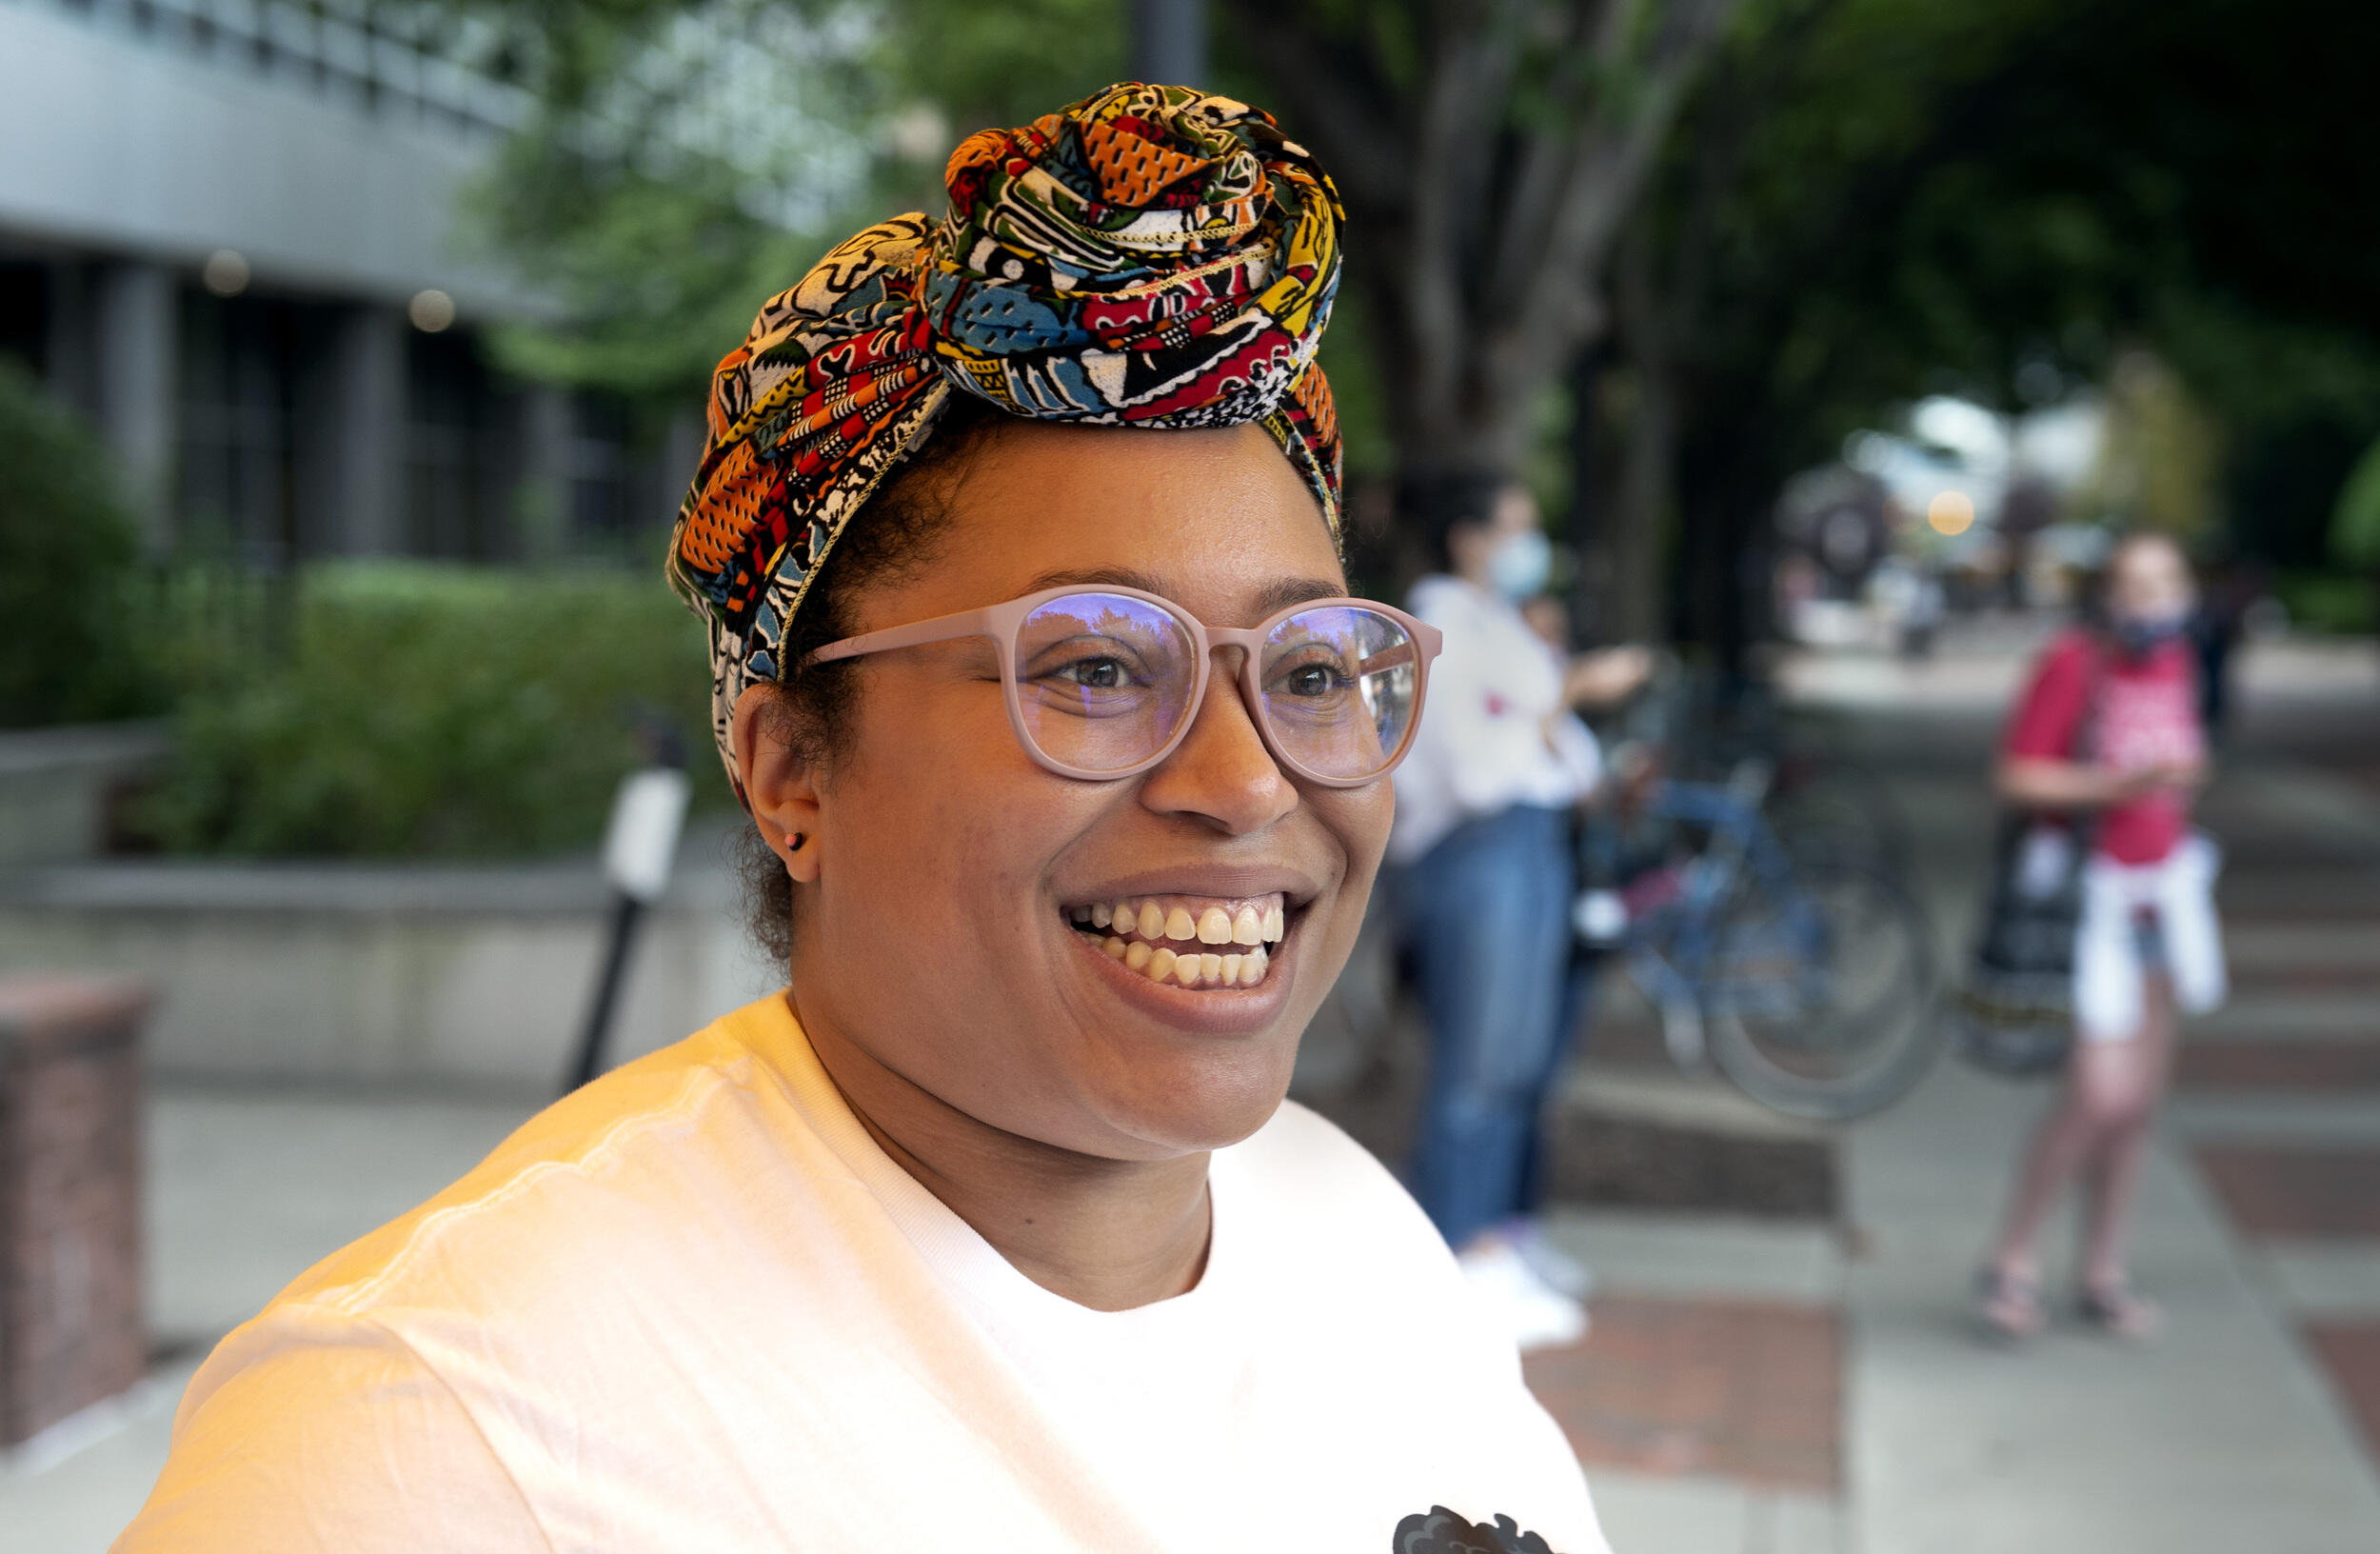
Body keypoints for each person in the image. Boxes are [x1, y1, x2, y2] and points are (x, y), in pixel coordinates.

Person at [112, 86, 1611, 1554]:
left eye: (1305, 668)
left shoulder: (1360, 1241)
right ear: (789, 774)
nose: (1244, 782)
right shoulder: (440, 1440)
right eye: (1093, 666)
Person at [1388, 481, 1649, 1351]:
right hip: (1480, 852)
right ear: (1466, 537)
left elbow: (1569, 764)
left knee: (1518, 1062)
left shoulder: (1499, 625)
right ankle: (1456, 1259)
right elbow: (1479, 768)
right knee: (1480, 1062)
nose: (1529, 542)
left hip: (1532, 851)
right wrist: (1567, 691)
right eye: (1514, 526)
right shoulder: (1439, 628)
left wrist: (1554, 711)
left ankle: (1494, 1241)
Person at [1974, 530, 2227, 1344]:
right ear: (2108, 596)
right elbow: (2017, 775)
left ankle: (2101, 1271)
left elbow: (2185, 762)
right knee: (2099, 1093)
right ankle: (2013, 1257)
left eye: (2166, 583)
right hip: (2092, 905)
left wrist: (2178, 780)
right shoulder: (2073, 663)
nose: (2152, 603)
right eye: (2135, 586)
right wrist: (2115, 786)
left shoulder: (2178, 664)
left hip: (2166, 899)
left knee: (2138, 1106)